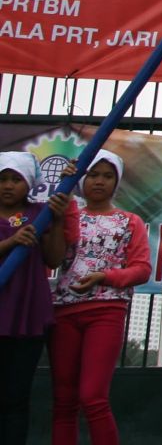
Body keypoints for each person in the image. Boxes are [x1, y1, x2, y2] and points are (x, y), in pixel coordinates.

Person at [48, 149, 149, 445]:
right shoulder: (71, 215)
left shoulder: (129, 221)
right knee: (64, 400)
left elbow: (142, 269)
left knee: (93, 397)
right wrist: (64, 191)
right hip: (64, 311)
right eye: (93, 174)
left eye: (107, 176)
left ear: (116, 182)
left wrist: (105, 277)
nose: (99, 181)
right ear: (83, 179)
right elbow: (56, 252)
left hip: (106, 312)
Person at [0, 152, 62, 439]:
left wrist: (57, 222)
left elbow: (54, 259)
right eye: (2, 179)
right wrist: (11, 242)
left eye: (16, 179)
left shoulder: (40, 213)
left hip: (27, 316)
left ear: (29, 183)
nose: (8, 185)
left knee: (16, 397)